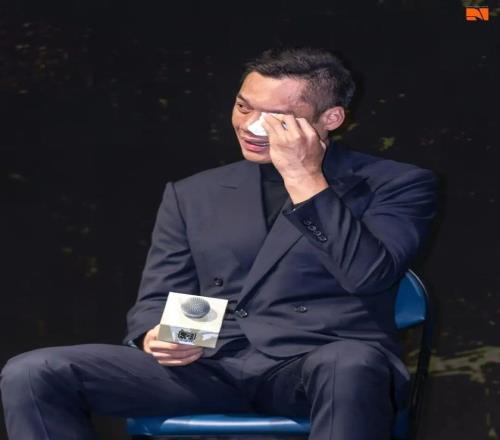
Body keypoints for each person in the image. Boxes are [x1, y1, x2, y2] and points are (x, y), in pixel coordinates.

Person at [0, 47, 438, 440]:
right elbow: (161, 297)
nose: (250, 126)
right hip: (210, 365)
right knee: (34, 371)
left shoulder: (396, 184)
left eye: (275, 117)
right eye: (243, 106)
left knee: (351, 364)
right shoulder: (194, 193)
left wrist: (304, 177)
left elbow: (369, 275)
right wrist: (159, 336)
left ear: (330, 119)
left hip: (317, 366)